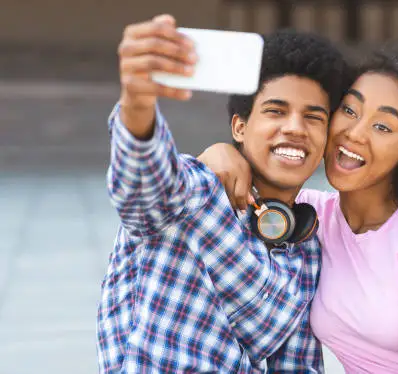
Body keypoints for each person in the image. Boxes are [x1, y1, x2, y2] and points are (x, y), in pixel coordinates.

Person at [199, 44, 398, 373]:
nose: (355, 134)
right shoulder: (307, 216)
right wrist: (221, 152)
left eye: (382, 127)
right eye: (349, 111)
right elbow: (243, 185)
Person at [96, 14, 350, 372]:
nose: (295, 128)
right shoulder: (196, 192)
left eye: (313, 117)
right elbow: (142, 184)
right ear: (240, 126)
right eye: (276, 111)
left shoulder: (307, 246)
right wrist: (137, 106)